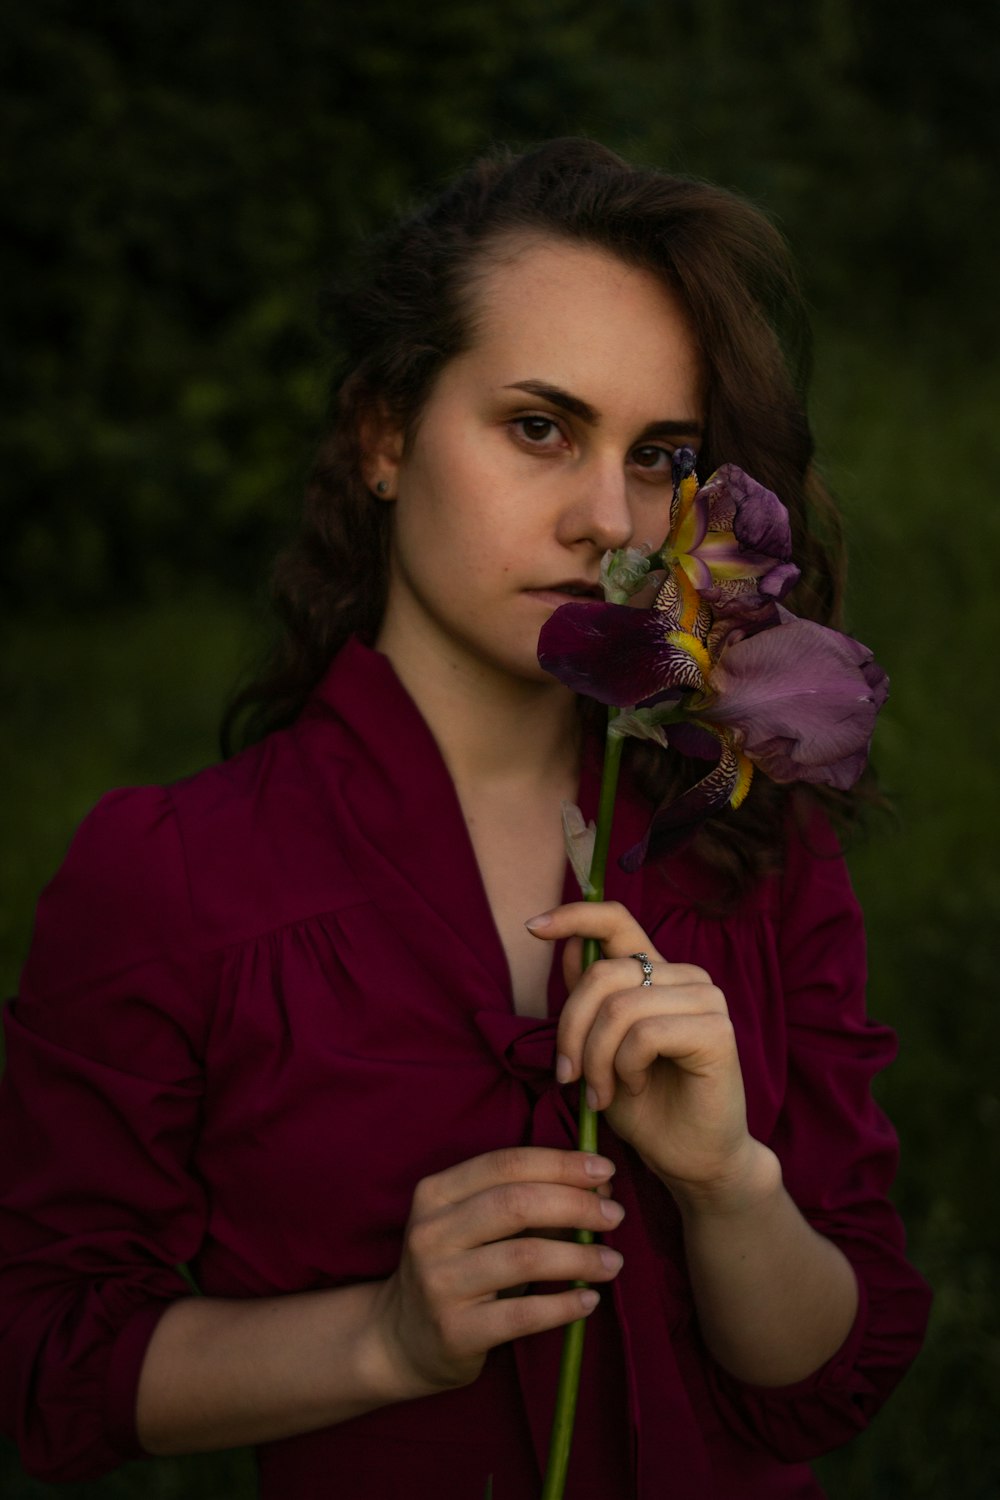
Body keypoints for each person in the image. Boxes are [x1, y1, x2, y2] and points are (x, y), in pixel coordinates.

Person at [0, 139, 930, 1499]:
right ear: (384, 436)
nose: (606, 522)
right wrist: (382, 1341)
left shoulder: (753, 850)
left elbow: (829, 1379)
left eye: (661, 456)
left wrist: (732, 1186)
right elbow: (47, 1362)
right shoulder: (173, 879)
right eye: (539, 427)